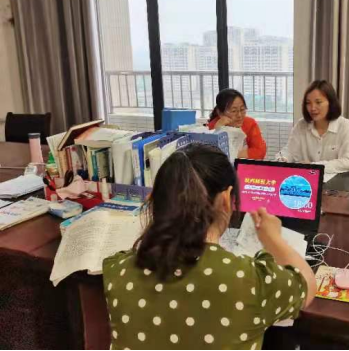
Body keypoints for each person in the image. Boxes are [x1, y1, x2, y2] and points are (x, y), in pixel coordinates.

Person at [103, 144, 317, 351]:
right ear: (226, 199)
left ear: (155, 200)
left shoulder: (117, 271)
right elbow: (306, 285)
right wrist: (273, 239)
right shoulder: (249, 281)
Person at [277, 80, 349, 174]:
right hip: (306, 180)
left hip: (336, 182)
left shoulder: (346, 126)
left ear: (331, 103)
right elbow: (289, 151)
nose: (312, 108)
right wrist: (282, 159)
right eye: (308, 103)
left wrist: (314, 166)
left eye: (318, 102)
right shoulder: (301, 125)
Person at [208, 89, 267, 160]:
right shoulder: (213, 126)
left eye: (242, 109)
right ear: (220, 113)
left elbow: (260, 151)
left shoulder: (249, 123)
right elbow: (211, 156)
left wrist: (233, 154)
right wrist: (218, 129)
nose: (239, 115)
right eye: (234, 111)